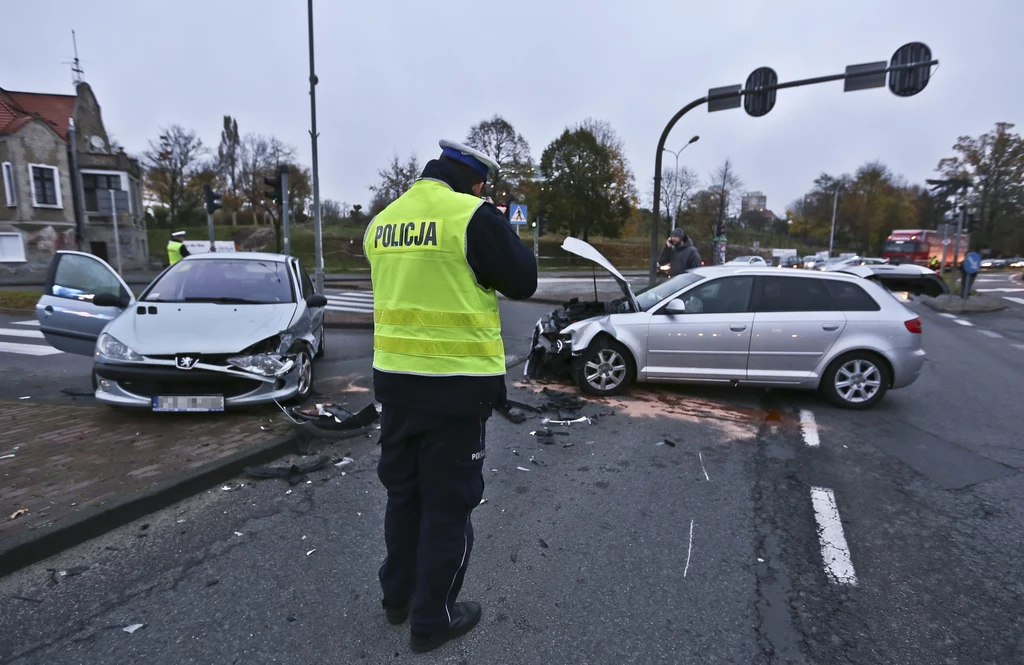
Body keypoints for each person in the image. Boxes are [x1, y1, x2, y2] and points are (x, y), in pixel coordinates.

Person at [364, 139, 538, 653]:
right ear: (478, 181)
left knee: (404, 496)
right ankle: (431, 622)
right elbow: (523, 280)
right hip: (456, 392)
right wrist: (502, 224)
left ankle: (397, 600)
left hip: (394, 386)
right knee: (448, 507)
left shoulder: (384, 222)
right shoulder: (473, 217)